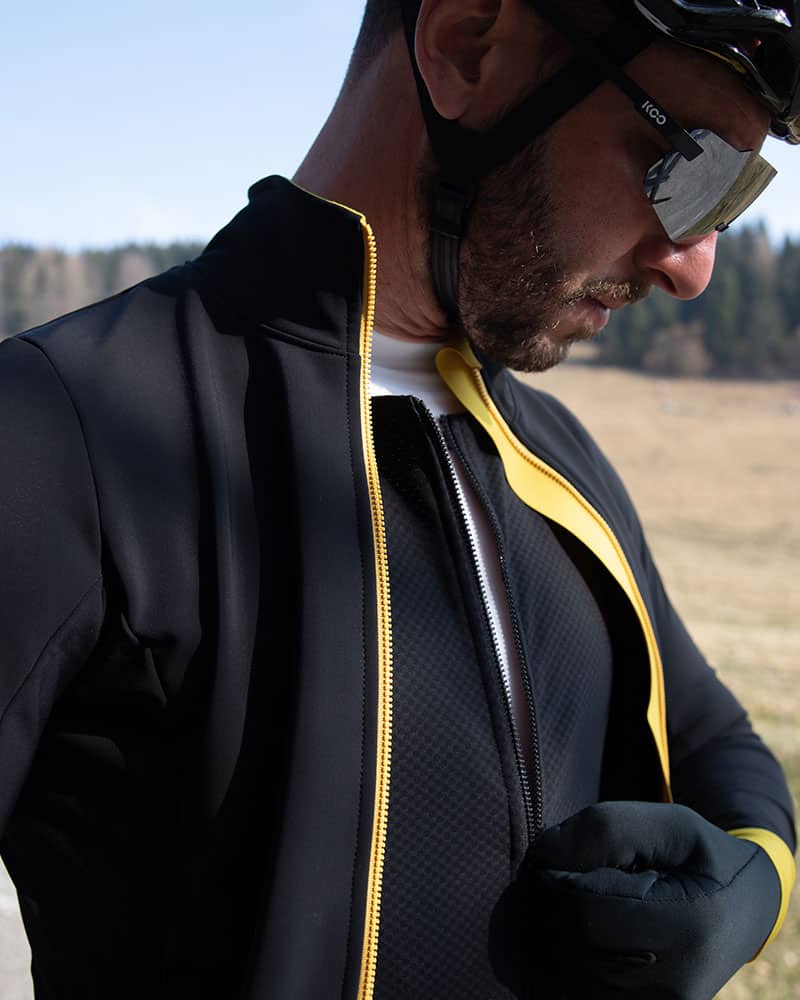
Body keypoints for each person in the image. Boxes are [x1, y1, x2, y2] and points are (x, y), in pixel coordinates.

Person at [0, 0, 797, 997]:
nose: (692, 265)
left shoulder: (556, 458)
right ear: (467, 44)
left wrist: (752, 881)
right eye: (690, 169)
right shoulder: (58, 427)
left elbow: (711, 736)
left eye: (734, 200)